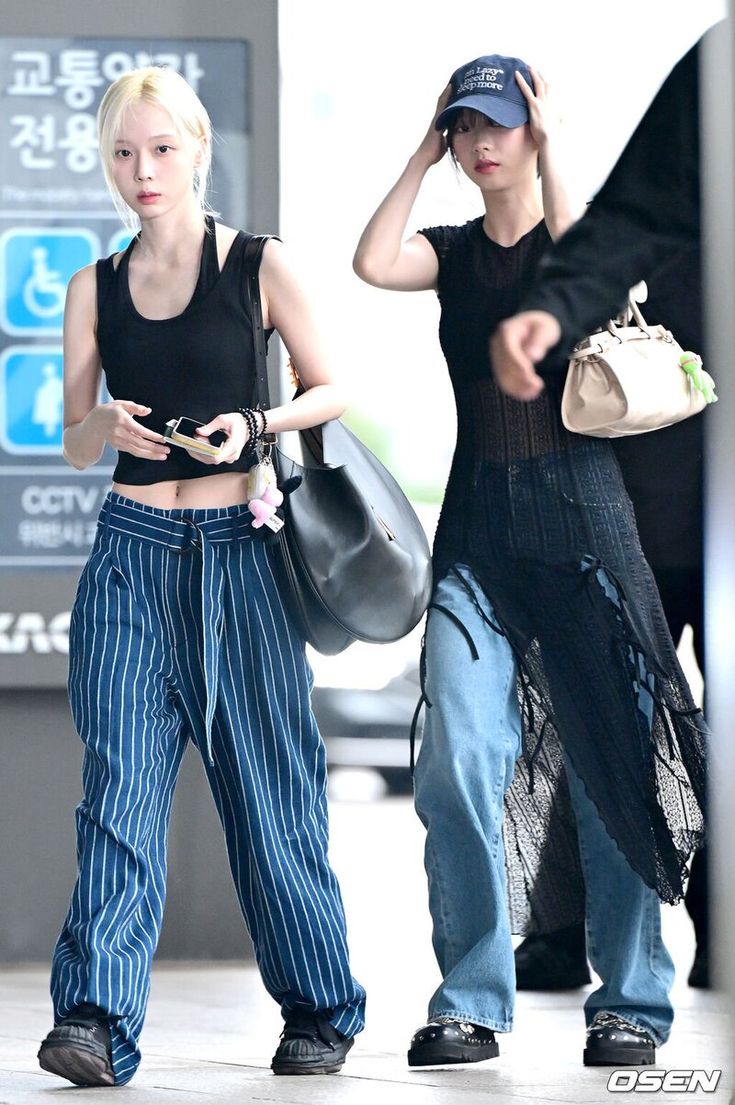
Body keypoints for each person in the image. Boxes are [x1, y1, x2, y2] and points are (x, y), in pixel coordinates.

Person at [353, 53, 706, 1070]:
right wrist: (423, 149)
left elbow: (586, 243)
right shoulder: (452, 250)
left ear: (529, 132)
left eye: (496, 124)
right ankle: (469, 996)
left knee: (615, 772)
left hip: (590, 531)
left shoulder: (570, 241)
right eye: (467, 126)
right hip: (479, 539)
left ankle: (632, 999)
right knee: (456, 761)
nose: (482, 141)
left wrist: (551, 147)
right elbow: (373, 261)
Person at [37, 65, 364, 1088]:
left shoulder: (259, 266)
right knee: (119, 796)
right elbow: (76, 442)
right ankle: (93, 1020)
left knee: (273, 796)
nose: (143, 171)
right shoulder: (94, 286)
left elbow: (334, 384)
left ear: (197, 150)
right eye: (125, 154)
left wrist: (256, 424)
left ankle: (319, 1007)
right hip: (129, 559)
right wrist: (101, 423)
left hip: (242, 560)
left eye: (161, 150)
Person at [514, 247, 711, 993]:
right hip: (632, 529)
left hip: (657, 524)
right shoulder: (658, 231)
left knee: (604, 733)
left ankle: (574, 935)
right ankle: (567, 932)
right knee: (594, 731)